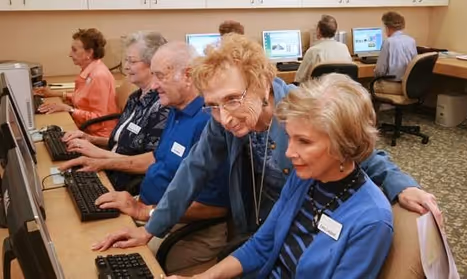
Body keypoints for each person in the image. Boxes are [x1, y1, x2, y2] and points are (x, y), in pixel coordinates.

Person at [91, 33, 441, 254]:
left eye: (232, 99)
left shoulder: (300, 110)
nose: (225, 118)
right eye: (213, 106)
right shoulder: (224, 118)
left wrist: (401, 185)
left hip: (299, 239)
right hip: (255, 235)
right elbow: (193, 171)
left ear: (262, 83)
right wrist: (150, 229)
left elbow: (360, 150)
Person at [167, 74, 394, 279]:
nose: (288, 152)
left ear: (345, 142)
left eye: (304, 141)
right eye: (289, 137)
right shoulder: (303, 179)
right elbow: (261, 245)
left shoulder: (372, 220)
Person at [91, 42, 230, 273]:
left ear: (187, 75)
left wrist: (145, 212)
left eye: (160, 76)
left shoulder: (208, 122)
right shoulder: (176, 109)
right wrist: (104, 161)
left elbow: (215, 207)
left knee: (111, 260)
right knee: (91, 233)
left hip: (185, 230)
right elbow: (158, 158)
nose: (153, 85)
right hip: (151, 209)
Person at [58, 31, 169, 193]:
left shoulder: (162, 106)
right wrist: (90, 139)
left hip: (124, 181)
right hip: (109, 168)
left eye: (131, 61)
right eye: (126, 60)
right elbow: (121, 142)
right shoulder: (135, 97)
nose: (126, 67)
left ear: (153, 65)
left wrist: (100, 157)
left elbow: (149, 162)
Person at [36, 28, 119, 137]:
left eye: (74, 50)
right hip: (86, 128)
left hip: (97, 135)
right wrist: (56, 94)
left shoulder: (99, 76)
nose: (70, 54)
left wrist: (70, 110)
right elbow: (84, 98)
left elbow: (98, 119)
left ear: (89, 52)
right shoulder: (90, 70)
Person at [295, 15, 352, 83]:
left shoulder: (313, 51)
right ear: (335, 31)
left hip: (318, 91)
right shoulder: (344, 48)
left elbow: (299, 79)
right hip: (341, 90)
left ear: (318, 31)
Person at [374, 11, 417, 95]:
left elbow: (380, 71)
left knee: (370, 86)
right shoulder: (411, 41)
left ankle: (385, 108)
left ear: (387, 27)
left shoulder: (388, 42)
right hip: (410, 86)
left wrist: (374, 71)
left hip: (395, 86)